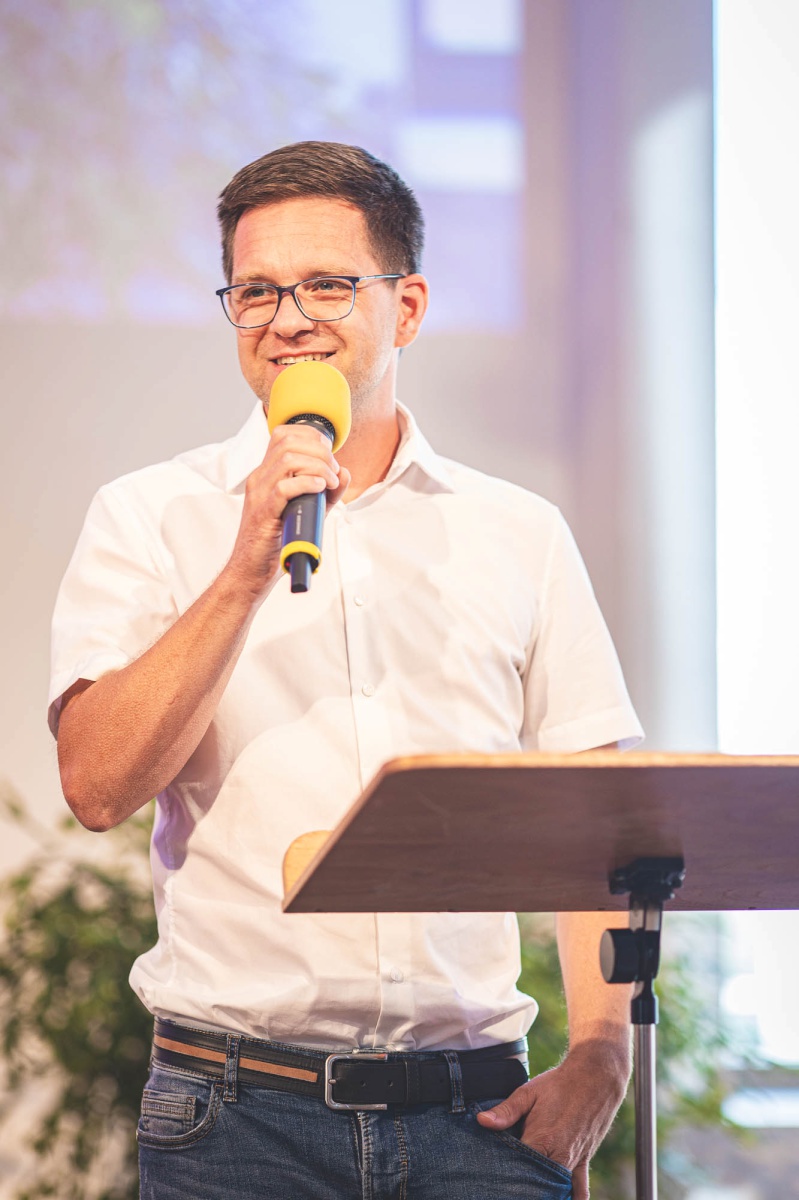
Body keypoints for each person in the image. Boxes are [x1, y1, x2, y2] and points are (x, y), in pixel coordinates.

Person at [49, 141, 643, 1200]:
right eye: (256, 291)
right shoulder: (148, 516)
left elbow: (596, 820)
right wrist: (245, 564)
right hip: (236, 1116)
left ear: (405, 307)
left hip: (480, 1118)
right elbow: (96, 786)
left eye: (327, 284)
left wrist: (602, 1055)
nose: (288, 319)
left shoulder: (518, 532)